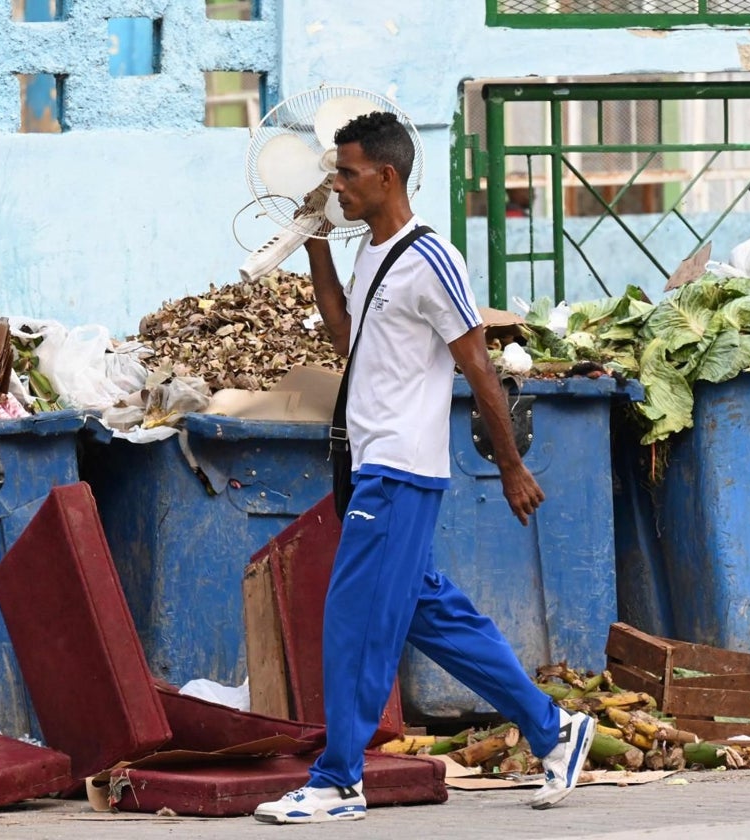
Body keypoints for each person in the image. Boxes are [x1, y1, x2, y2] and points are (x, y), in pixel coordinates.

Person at [252, 111, 595, 825]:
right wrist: (314, 241)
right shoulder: (372, 253)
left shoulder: (432, 258)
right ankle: (555, 729)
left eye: (345, 174)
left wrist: (510, 466)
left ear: (387, 176)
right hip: (371, 467)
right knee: (432, 616)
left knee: (351, 617)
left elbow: (478, 365)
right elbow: (346, 332)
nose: (336, 184)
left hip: (401, 471)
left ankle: (340, 779)